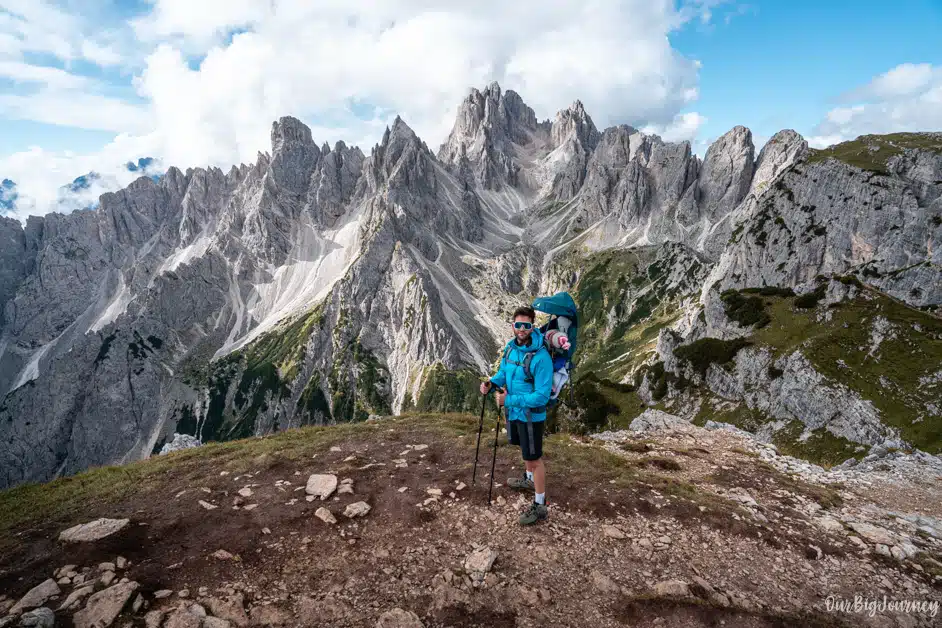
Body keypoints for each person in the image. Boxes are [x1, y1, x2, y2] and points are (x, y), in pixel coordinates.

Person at [480, 305, 553, 525]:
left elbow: (542, 396)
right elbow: (504, 373)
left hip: (532, 417)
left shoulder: (541, 358)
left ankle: (540, 504)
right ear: (513, 326)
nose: (522, 329)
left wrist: (508, 400)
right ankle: (529, 480)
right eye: (518, 325)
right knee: (525, 451)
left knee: (535, 458)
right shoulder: (511, 349)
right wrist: (492, 383)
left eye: (527, 325)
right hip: (515, 413)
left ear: (533, 327)